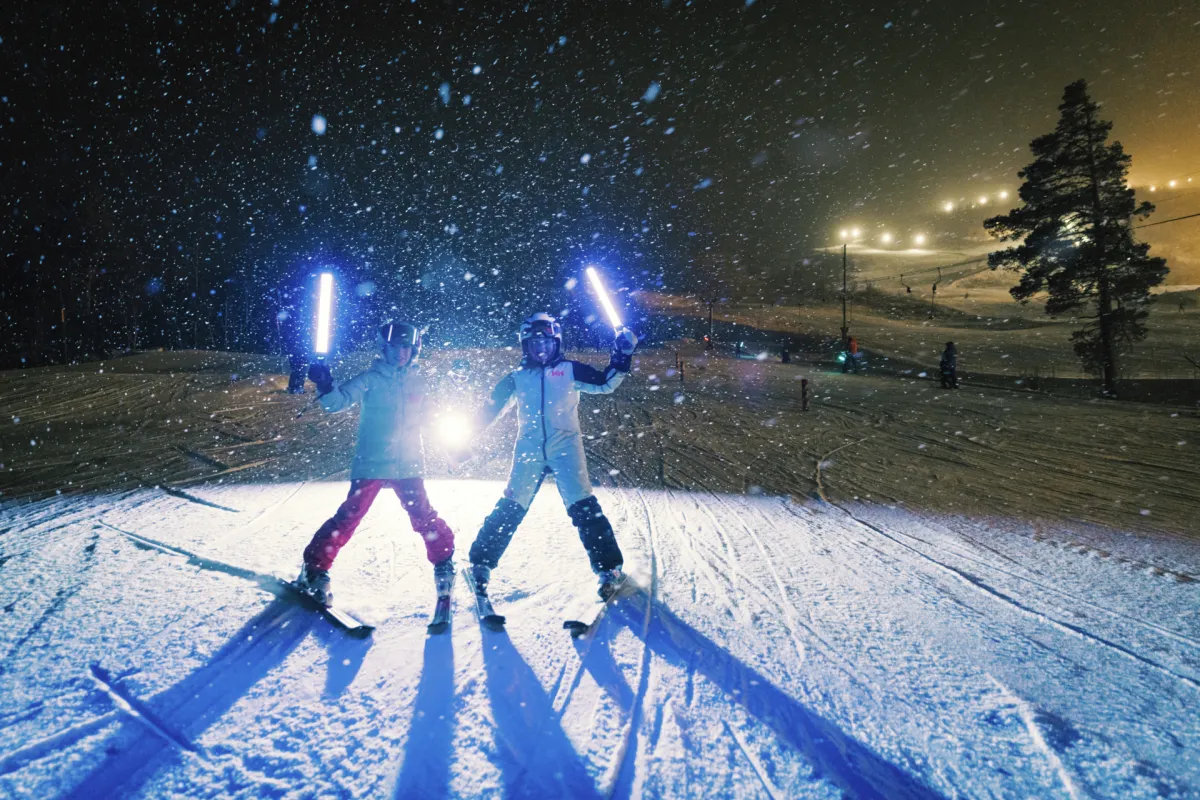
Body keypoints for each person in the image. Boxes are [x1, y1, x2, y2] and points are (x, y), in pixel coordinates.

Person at [464, 312, 638, 607]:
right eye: (534, 344)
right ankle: (480, 564)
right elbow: (489, 411)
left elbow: (606, 383)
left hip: (565, 448)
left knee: (583, 507)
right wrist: (465, 438)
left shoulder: (570, 371)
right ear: (525, 346)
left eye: (546, 343)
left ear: (556, 343)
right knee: (511, 505)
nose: (541, 349)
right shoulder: (517, 378)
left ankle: (610, 570)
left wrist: (622, 354)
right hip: (529, 450)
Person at [294, 321, 456, 608]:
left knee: (423, 516)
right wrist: (325, 383)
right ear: (383, 349)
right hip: (372, 461)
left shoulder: (420, 381)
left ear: (414, 349)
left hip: (408, 464)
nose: (401, 353)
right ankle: (315, 568)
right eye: (394, 347)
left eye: (406, 347)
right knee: (348, 518)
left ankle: (444, 560)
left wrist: (453, 447)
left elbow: (430, 420)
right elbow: (336, 402)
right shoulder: (370, 379)